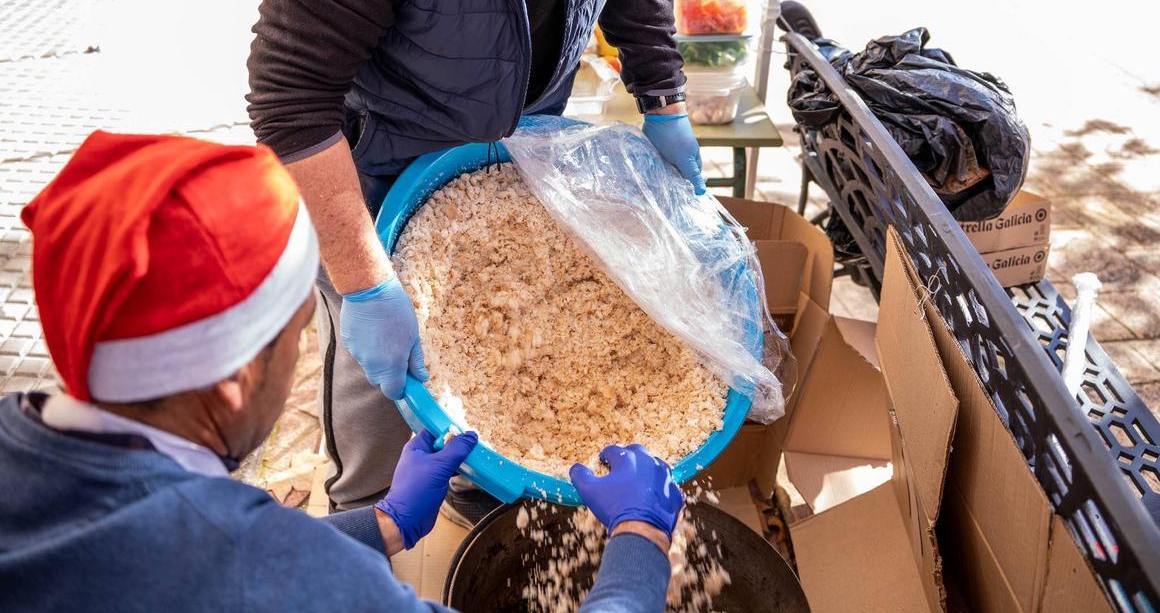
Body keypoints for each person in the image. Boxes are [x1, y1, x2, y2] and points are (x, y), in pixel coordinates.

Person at [246, 0, 715, 519]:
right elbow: (289, 100)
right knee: (385, 388)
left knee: (509, 346)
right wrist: (366, 281)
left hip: (512, 155)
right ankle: (369, 517)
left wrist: (664, 97)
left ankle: (480, 490)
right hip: (376, 163)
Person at [0, 132, 685, 612]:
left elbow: (169, 562)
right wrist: (639, 539)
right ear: (233, 380)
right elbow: (244, 565)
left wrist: (381, 524)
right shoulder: (265, 571)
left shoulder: (17, 431)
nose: (305, 351)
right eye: (300, 333)